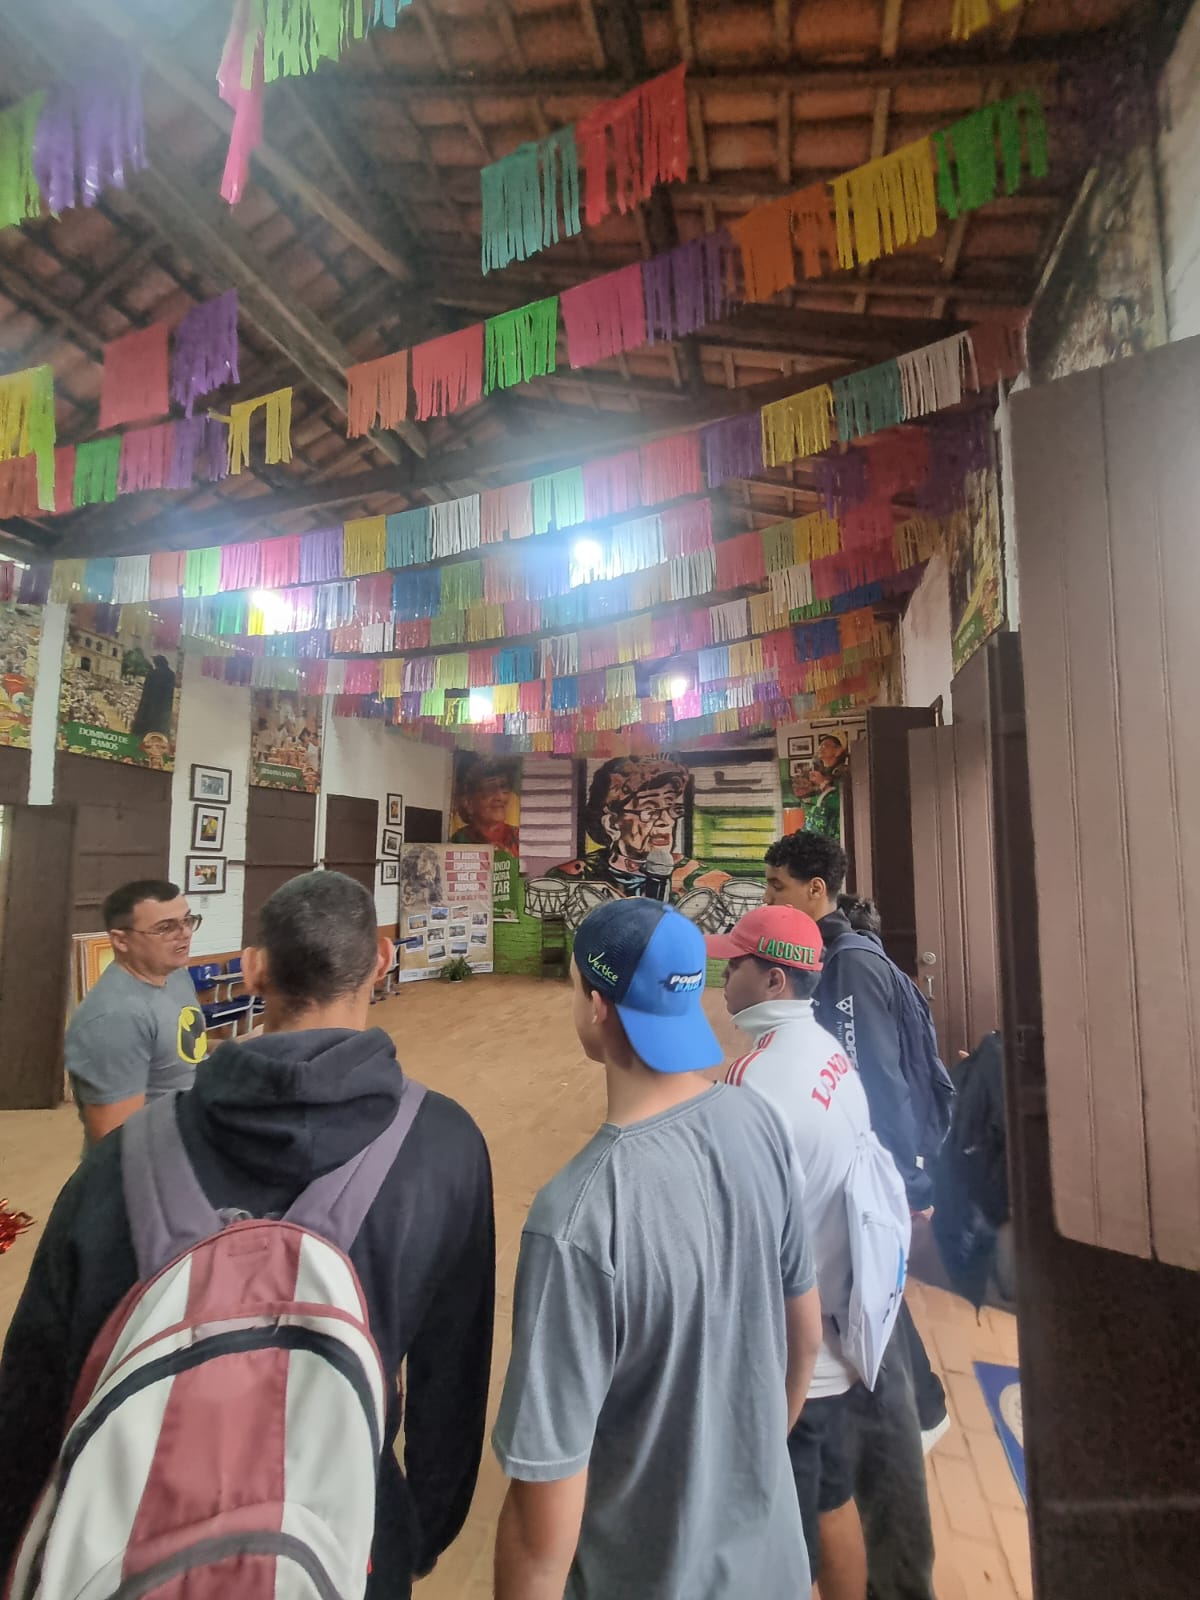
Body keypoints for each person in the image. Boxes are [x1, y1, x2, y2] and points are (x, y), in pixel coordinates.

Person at [0, 871, 495, 1597]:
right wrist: (414, 1529)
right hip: (350, 1540)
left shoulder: (122, 1162)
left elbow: (37, 1387)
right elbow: (452, 1373)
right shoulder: (444, 1146)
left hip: (132, 1545)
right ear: (381, 961)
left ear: (254, 967)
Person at [492, 897, 822, 1600]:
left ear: (596, 1007)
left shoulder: (576, 1217)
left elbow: (540, 1530)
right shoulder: (757, 1119)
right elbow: (806, 1339)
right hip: (774, 1568)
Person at [764, 832, 944, 1600]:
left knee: (872, 1380)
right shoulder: (841, 957)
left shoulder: (846, 968)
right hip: (857, 1215)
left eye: (777, 887)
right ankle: (923, 1409)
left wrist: (906, 1188)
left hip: (866, 1208)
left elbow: (881, 1084)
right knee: (876, 1356)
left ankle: (895, 1574)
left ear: (815, 891)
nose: (768, 899)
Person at [706, 904, 894, 1600]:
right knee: (832, 1498)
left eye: (736, 964)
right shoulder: (825, 1051)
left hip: (788, 1360)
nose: (724, 977)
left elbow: (725, 1235)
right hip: (836, 1330)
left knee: (782, 1544)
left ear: (774, 979)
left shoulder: (753, 1082)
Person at [66, 880, 207, 1147]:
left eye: (187, 920)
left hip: (193, 1140)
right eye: (165, 927)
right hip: (155, 1162)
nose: (185, 933)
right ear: (121, 940)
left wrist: (238, 1047)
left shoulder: (175, 975)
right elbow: (117, 1141)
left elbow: (177, 1051)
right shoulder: (113, 1018)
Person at [547, 754, 730, 898]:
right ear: (612, 824)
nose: (666, 821)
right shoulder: (575, 876)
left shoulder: (697, 877)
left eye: (671, 808)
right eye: (649, 811)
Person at [452, 756, 520, 854]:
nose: (500, 797)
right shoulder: (458, 841)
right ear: (468, 802)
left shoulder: (519, 837)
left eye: (503, 786)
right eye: (490, 789)